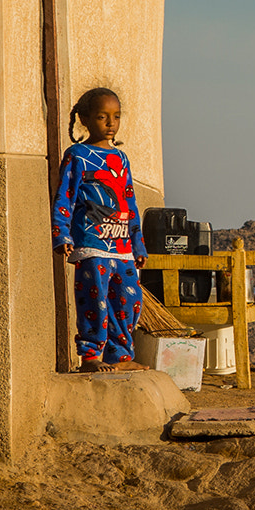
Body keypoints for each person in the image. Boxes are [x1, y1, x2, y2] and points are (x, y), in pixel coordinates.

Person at [52, 87, 147, 372]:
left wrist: (137, 243)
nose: (110, 123)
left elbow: (129, 201)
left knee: (129, 299)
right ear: (84, 119)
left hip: (122, 247)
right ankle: (91, 356)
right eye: (102, 117)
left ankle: (120, 355)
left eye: (116, 117)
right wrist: (61, 233)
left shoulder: (122, 159)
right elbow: (65, 196)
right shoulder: (77, 155)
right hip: (92, 243)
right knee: (95, 297)